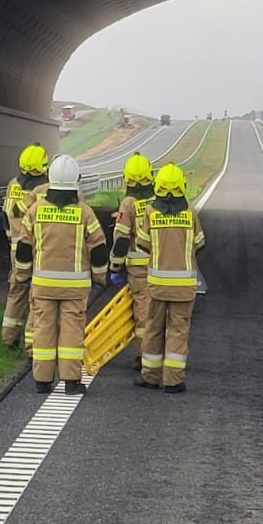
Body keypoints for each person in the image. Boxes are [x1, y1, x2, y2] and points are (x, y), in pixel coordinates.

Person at [14, 153, 108, 394]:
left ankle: (42, 381)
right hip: (75, 289)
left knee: (43, 330)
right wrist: (99, 278)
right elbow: (98, 249)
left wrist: (23, 276)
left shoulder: (35, 211)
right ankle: (71, 381)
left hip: (43, 286)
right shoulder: (85, 213)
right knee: (71, 333)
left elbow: (23, 248)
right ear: (76, 180)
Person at [135, 162, 205, 392]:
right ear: (181, 187)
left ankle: (150, 377)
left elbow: (142, 243)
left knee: (153, 329)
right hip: (183, 287)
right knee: (178, 331)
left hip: (157, 285)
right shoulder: (190, 213)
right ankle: (173, 381)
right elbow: (200, 244)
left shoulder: (150, 213)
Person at [1, 144, 50, 350]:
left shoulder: (13, 184)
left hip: (16, 247)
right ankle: (33, 344)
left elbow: (5, 215)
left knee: (16, 292)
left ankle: (9, 339)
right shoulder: (44, 189)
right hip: (37, 249)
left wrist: (11, 239)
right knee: (37, 296)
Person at [108, 153, 156, 367]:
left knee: (144, 312)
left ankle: (146, 356)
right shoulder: (159, 200)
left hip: (139, 269)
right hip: (161, 265)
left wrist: (115, 267)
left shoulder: (128, 204)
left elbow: (121, 240)